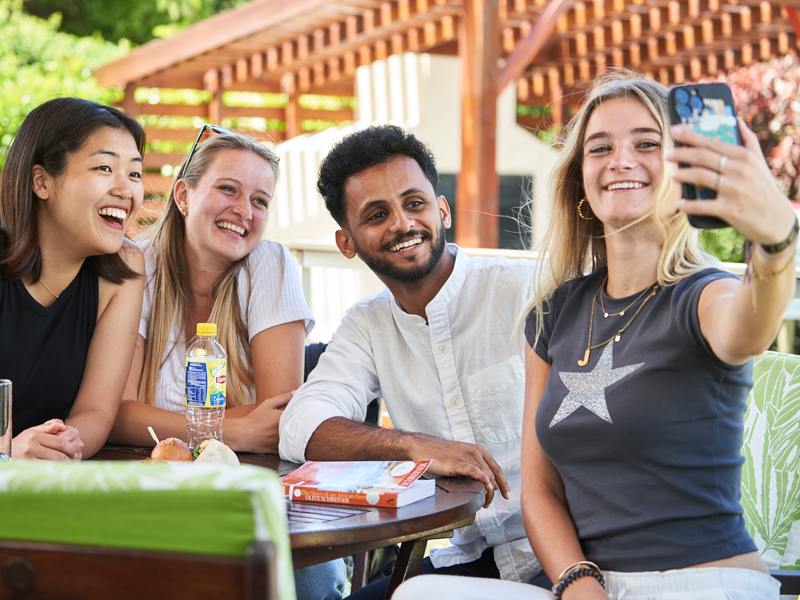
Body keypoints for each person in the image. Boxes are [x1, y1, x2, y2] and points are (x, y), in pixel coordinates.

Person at [394, 73, 796, 600]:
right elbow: (538, 490)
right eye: (599, 147)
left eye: (647, 144)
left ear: (683, 170)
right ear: (581, 181)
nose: (620, 160)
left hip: (702, 582)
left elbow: (752, 325)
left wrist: (774, 242)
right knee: (419, 594)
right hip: (592, 587)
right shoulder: (553, 314)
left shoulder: (704, 295)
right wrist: (580, 583)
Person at [279, 124, 545, 598]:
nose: (402, 223)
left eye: (415, 203)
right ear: (347, 243)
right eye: (377, 214)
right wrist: (414, 448)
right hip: (470, 558)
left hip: (565, 553)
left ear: (441, 209)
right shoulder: (367, 325)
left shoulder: (525, 291)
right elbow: (301, 425)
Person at [108, 126, 346, 600]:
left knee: (305, 580)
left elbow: (277, 421)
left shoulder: (270, 266)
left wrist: (165, 426)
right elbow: (117, 414)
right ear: (183, 194)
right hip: (156, 498)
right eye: (228, 189)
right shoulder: (135, 266)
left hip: (253, 497)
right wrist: (229, 431)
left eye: (260, 201)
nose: (244, 211)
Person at [0, 97, 146, 460]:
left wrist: (62, 445)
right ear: (42, 182)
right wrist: (9, 453)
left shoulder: (124, 271)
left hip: (49, 488)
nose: (125, 190)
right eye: (103, 168)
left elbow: (96, 411)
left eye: (134, 173)